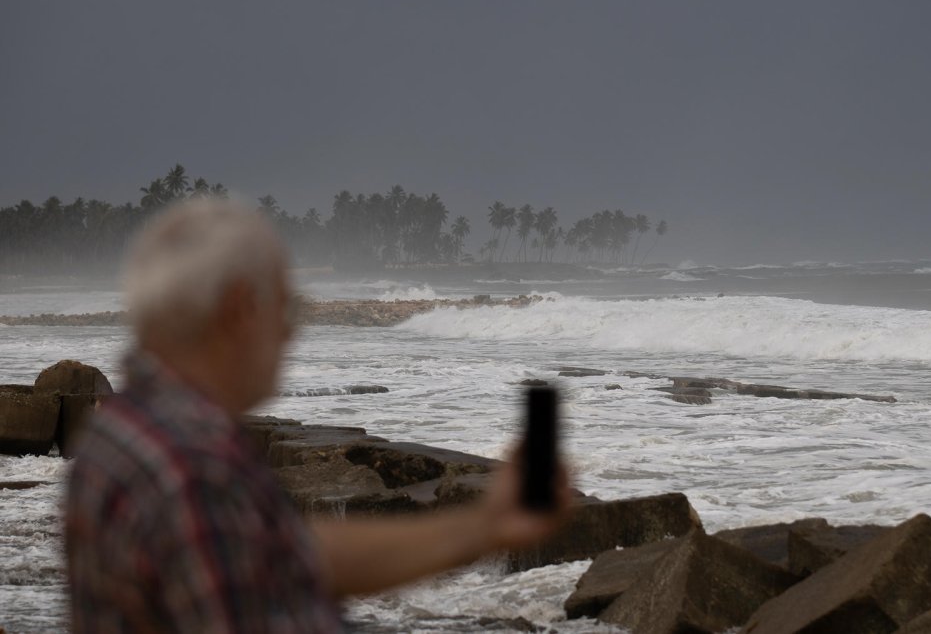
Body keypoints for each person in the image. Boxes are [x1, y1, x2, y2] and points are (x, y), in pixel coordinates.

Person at [64, 199, 569, 632]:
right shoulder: (193, 468)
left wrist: (485, 526)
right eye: (287, 310)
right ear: (241, 308)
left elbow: (293, 555)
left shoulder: (122, 431)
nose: (290, 335)